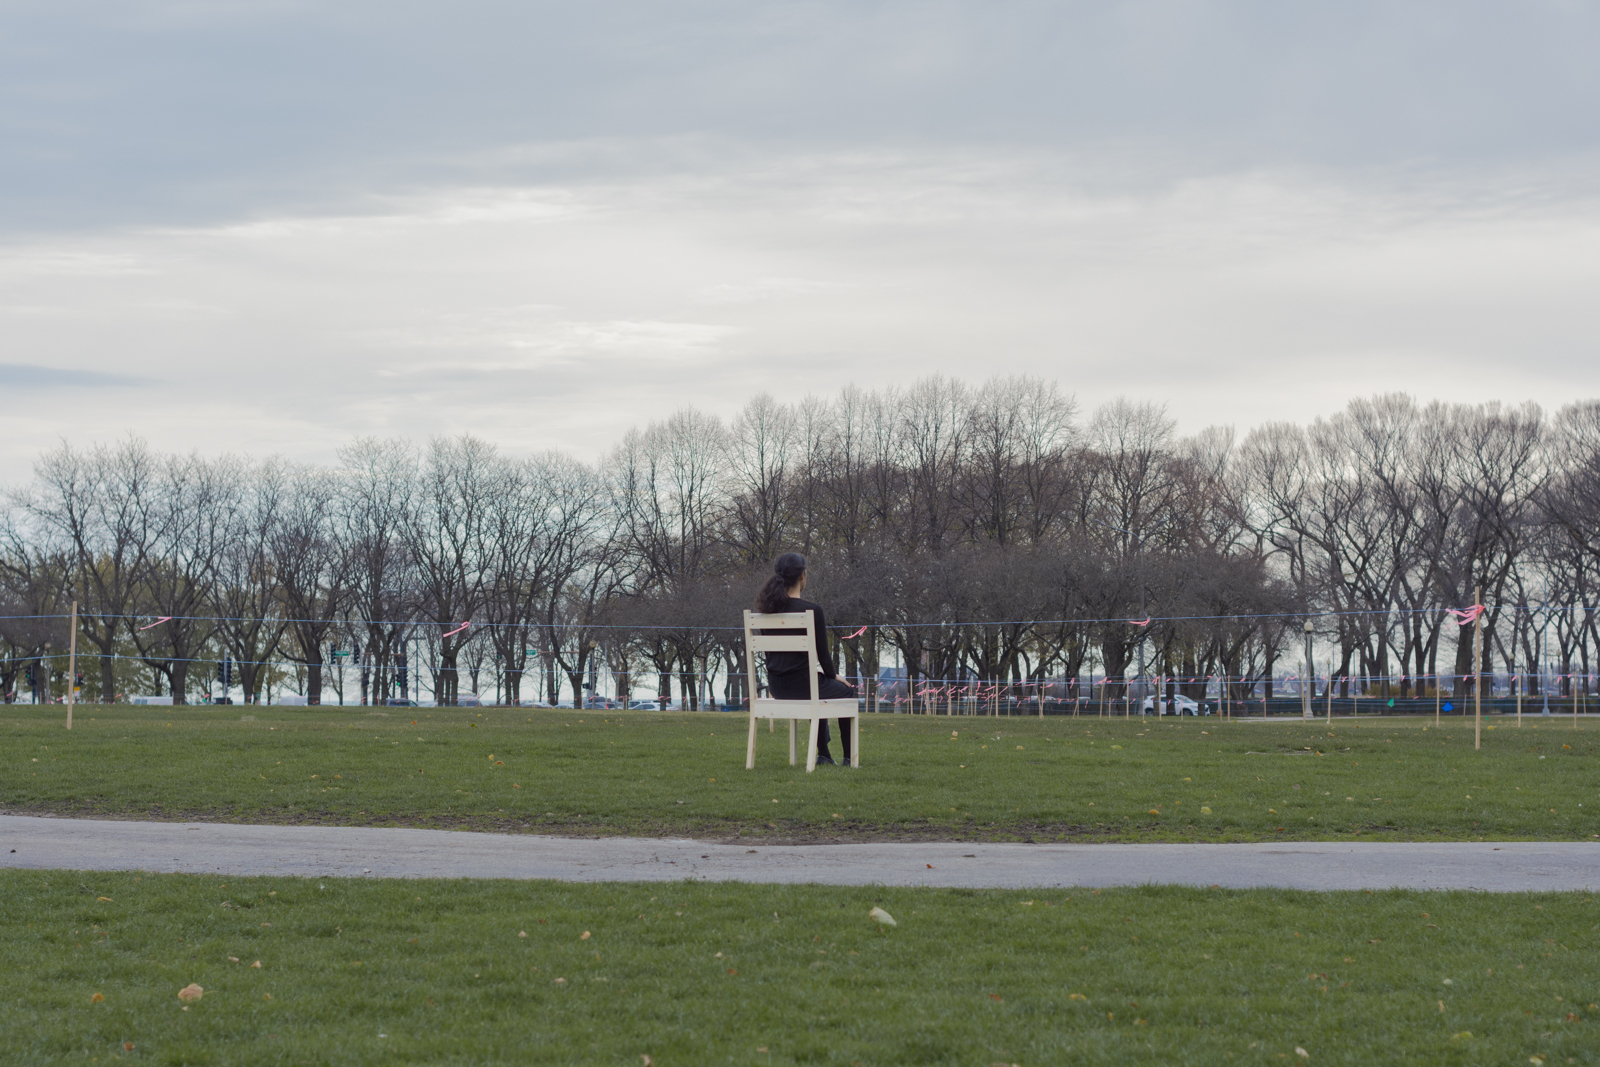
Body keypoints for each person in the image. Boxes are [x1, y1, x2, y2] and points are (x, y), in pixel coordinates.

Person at [755, 551, 856, 766]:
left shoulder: (766, 612)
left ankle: (824, 755)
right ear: (802, 575)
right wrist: (833, 675)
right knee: (845, 690)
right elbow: (823, 655)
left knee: (818, 687)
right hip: (804, 685)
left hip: (778, 687)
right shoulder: (812, 610)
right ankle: (848, 758)